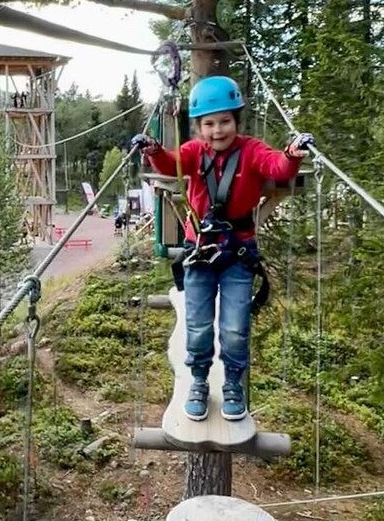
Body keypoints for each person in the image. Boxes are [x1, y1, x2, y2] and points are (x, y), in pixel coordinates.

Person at [131, 75, 313, 422]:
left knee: (234, 327)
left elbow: (276, 166)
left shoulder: (252, 150)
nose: (217, 131)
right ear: (199, 127)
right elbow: (171, 165)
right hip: (199, 252)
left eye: (225, 121)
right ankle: (198, 381)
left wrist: (292, 154)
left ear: (236, 121)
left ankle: (232, 383)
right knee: (197, 326)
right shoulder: (193, 152)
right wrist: (153, 150)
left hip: (237, 255)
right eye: (209, 124)